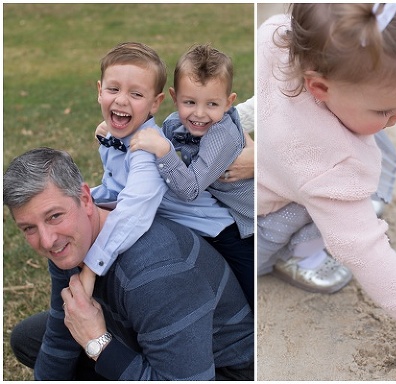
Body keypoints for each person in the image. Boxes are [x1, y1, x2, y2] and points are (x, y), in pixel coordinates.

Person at [257, 3, 396, 362]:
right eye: (384, 109)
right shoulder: (332, 165)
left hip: (270, 163)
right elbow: (364, 250)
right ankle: (298, 256)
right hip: (257, 230)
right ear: (319, 86)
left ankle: (345, 205)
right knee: (341, 208)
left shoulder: (275, 35)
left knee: (373, 143)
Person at [3, 147, 254, 380]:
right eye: (29, 228)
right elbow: (61, 335)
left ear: (85, 199)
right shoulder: (69, 245)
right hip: (141, 334)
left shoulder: (154, 272)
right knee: (30, 339)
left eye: (54, 216)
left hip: (219, 371)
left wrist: (98, 342)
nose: (47, 241)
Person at [129, 44, 254, 307]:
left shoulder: (222, 135)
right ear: (175, 98)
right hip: (214, 214)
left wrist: (164, 152)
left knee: (249, 290)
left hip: (246, 224)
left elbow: (190, 190)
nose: (199, 113)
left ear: (229, 102)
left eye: (212, 104)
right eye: (190, 102)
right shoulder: (175, 123)